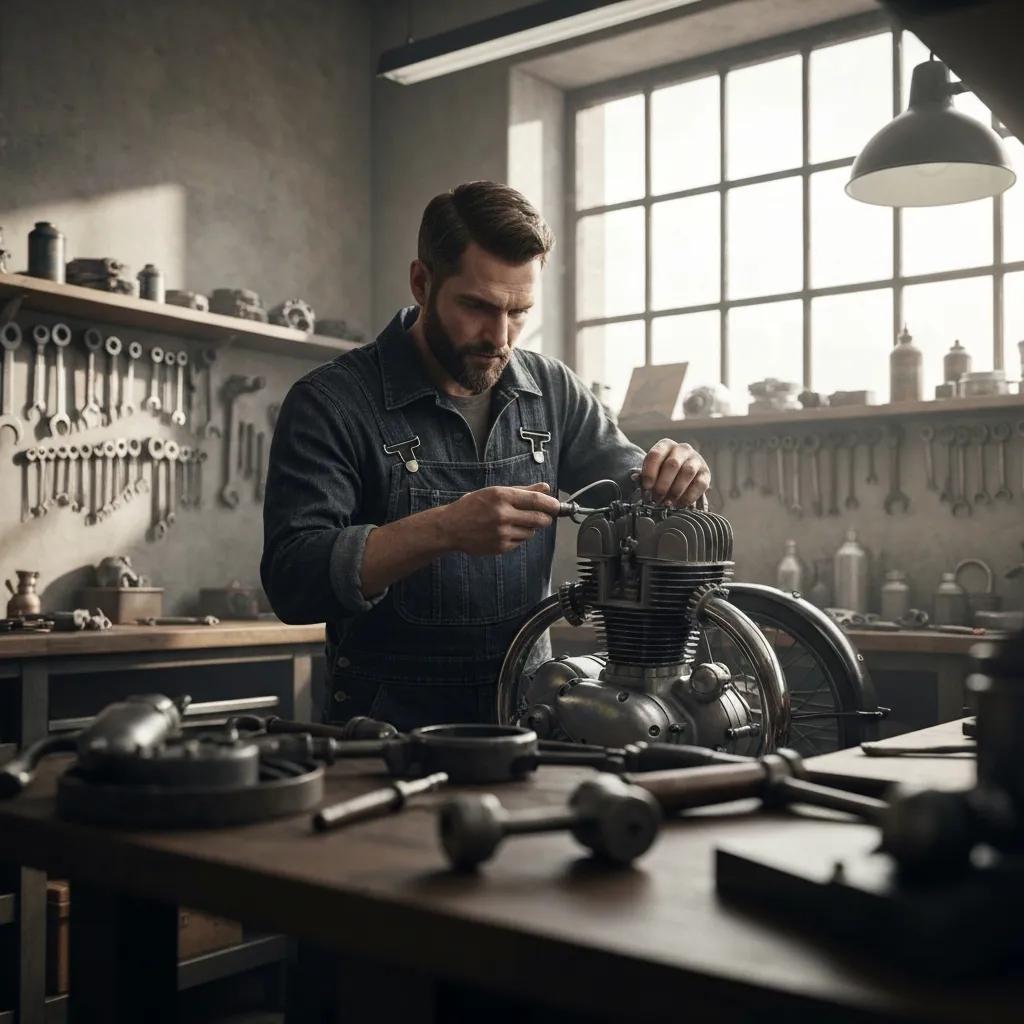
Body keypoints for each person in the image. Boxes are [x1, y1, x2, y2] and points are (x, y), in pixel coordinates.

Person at [261, 180, 709, 730]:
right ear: (422, 283)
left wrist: (675, 475)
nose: (499, 337)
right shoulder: (330, 402)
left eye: (519, 311)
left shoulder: (552, 389)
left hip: (531, 722)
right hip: (386, 734)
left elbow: (636, 490)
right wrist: (445, 529)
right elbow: (293, 579)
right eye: (477, 306)